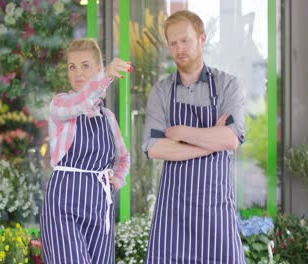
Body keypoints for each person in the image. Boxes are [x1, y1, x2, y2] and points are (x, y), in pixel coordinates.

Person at [143, 10, 246, 263]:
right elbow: (155, 148)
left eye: (185, 40)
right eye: (173, 43)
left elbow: (231, 139)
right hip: (172, 214)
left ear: (202, 39)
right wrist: (211, 142)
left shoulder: (226, 86)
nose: (179, 48)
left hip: (216, 211)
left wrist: (181, 133)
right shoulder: (161, 91)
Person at [40, 38, 131, 264]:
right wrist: (106, 76)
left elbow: (123, 157)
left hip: (100, 206)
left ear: (98, 69)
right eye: (72, 66)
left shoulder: (108, 118)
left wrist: (117, 179)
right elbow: (82, 102)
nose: (78, 72)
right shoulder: (60, 105)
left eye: (85, 65)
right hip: (63, 205)